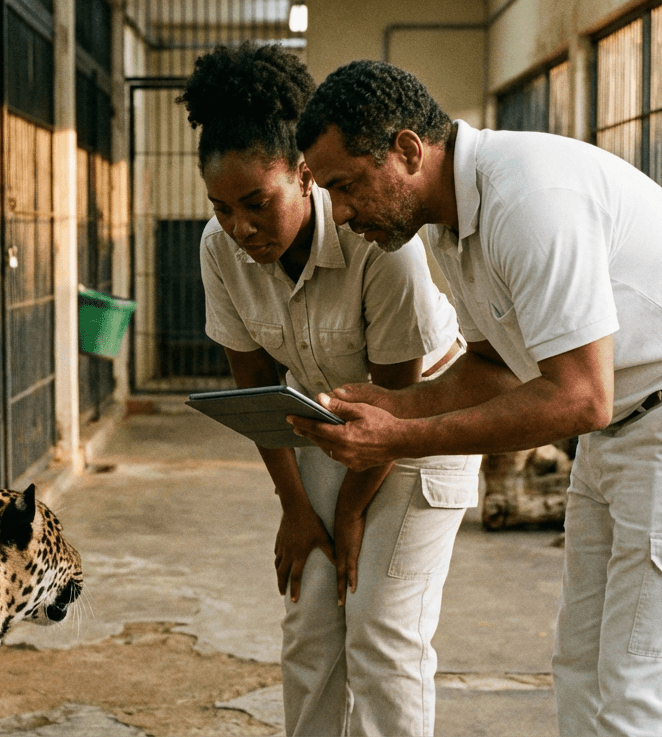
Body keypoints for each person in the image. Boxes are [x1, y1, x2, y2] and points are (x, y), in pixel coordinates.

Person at [288, 60, 662, 737]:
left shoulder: (526, 198)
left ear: (408, 150)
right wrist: (397, 407)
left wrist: (400, 439)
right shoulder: (446, 224)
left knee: (650, 689)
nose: (343, 211)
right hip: (627, 418)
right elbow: (493, 367)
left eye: (347, 185)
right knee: (583, 670)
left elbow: (579, 397)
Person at [178, 43, 482, 737]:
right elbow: (254, 384)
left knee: (381, 630)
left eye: (257, 203)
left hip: (419, 426)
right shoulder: (218, 249)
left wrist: (347, 514)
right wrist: (296, 507)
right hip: (327, 426)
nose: (239, 227)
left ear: (305, 176)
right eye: (220, 208)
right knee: (311, 617)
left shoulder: (382, 244)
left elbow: (395, 403)